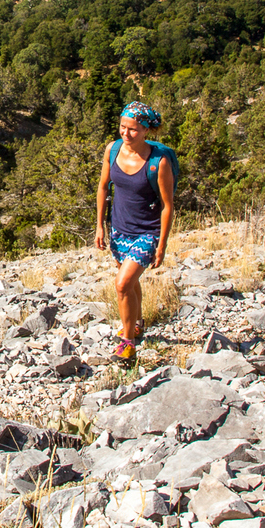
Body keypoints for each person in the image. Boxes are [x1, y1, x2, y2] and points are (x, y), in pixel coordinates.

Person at [94, 101, 177, 365]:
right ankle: (137, 323)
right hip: (120, 229)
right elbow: (103, 186)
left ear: (145, 130)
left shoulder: (158, 162)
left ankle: (128, 344)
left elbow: (167, 205)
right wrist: (100, 225)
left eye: (132, 129)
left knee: (121, 284)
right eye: (123, 127)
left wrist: (162, 245)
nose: (126, 133)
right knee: (130, 282)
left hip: (147, 232)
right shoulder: (113, 150)